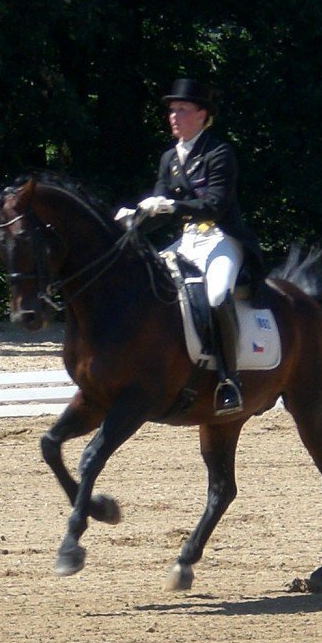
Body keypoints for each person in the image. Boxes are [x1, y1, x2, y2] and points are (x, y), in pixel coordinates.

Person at [117, 78, 265, 415]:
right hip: (188, 242)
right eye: (171, 111)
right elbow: (158, 209)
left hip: (222, 239)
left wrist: (171, 207)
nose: (173, 117)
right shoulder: (170, 158)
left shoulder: (219, 152)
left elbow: (215, 205)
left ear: (202, 115)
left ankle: (230, 381)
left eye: (182, 110)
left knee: (215, 295)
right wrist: (134, 219)